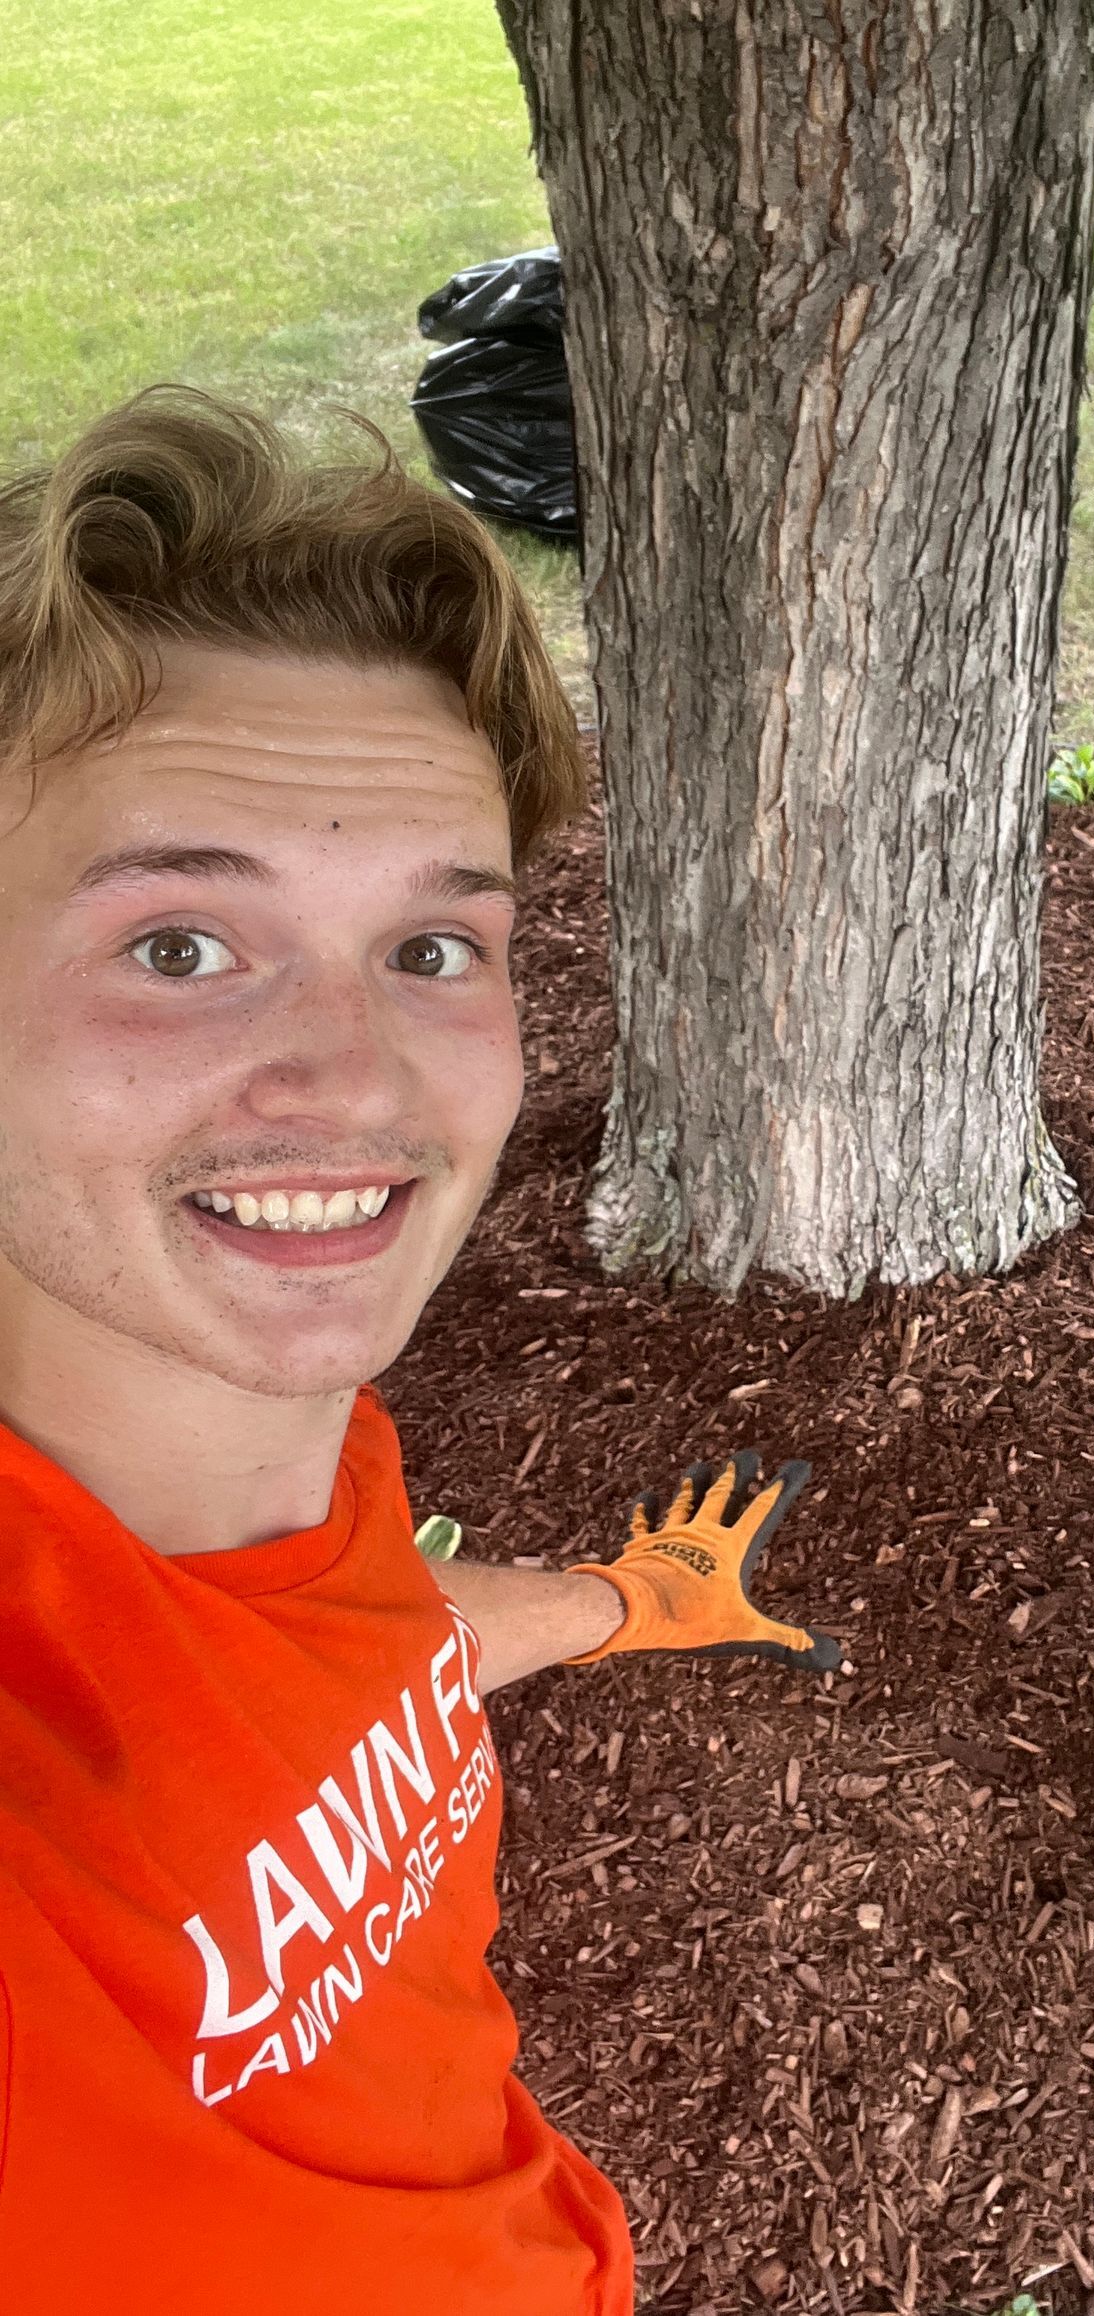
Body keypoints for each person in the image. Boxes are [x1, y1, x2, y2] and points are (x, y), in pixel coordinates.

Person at [0, 390, 840, 2314]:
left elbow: (351, 1649)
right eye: (181, 945)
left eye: (433, 948)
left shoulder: (269, 1443)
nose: (358, 1084)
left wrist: (620, 1605)